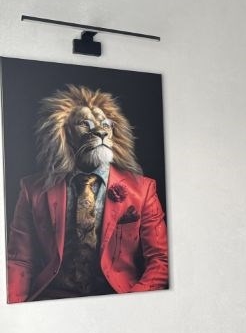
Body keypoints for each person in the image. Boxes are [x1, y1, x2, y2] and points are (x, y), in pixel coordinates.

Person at [6, 84, 169, 302]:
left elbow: (160, 259)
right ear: (63, 133)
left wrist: (133, 303)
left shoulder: (142, 189)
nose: (100, 132)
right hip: (53, 297)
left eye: (105, 125)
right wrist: (14, 310)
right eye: (84, 124)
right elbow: (19, 261)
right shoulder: (33, 190)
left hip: (120, 296)